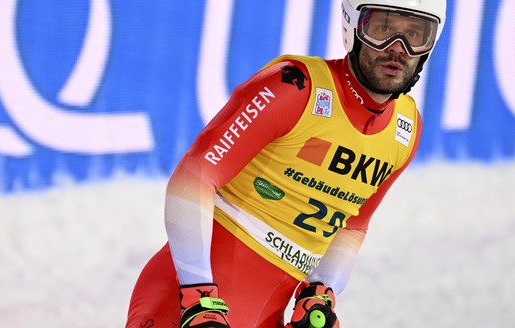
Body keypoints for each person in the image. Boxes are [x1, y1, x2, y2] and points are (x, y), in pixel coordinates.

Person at [126, 0, 447, 327]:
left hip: (267, 312)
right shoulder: (294, 87)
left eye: (415, 35)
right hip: (190, 303)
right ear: (354, 27)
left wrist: (322, 290)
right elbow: (193, 178)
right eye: (383, 29)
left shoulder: (406, 129)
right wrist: (198, 294)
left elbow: (353, 225)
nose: (397, 49)